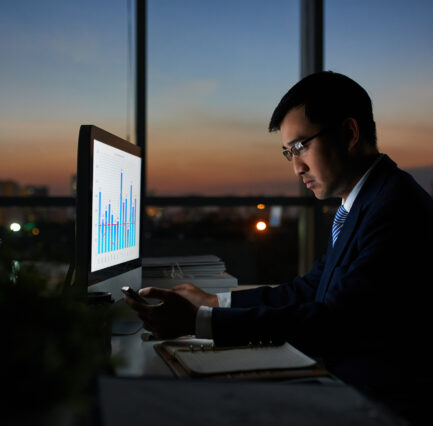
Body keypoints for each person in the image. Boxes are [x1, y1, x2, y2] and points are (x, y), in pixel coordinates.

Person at [125, 71, 433, 424]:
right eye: (288, 152)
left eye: (301, 146)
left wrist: (200, 321)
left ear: (349, 133)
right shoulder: (365, 202)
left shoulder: (394, 208)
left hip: (377, 405)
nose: (296, 167)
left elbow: (334, 323)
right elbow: (311, 289)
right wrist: (214, 302)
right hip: (345, 384)